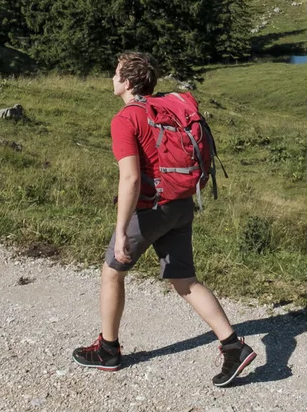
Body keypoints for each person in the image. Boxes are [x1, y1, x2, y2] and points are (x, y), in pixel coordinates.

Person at [73, 53, 257, 387]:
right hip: (182, 203)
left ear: (128, 82)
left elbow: (129, 180)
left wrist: (121, 232)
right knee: (185, 279)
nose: (112, 79)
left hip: (151, 209)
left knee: (112, 271)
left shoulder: (126, 119)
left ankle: (108, 350)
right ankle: (233, 346)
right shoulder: (167, 106)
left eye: (116, 74)